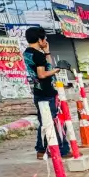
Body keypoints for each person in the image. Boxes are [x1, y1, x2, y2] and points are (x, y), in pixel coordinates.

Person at [22, 26, 69, 160]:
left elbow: (47, 66)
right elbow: (42, 74)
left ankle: (41, 150)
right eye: (45, 38)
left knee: (44, 122)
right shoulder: (37, 55)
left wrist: (47, 53)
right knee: (55, 122)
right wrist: (58, 69)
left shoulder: (28, 53)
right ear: (39, 39)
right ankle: (62, 150)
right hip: (47, 93)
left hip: (38, 93)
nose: (46, 40)